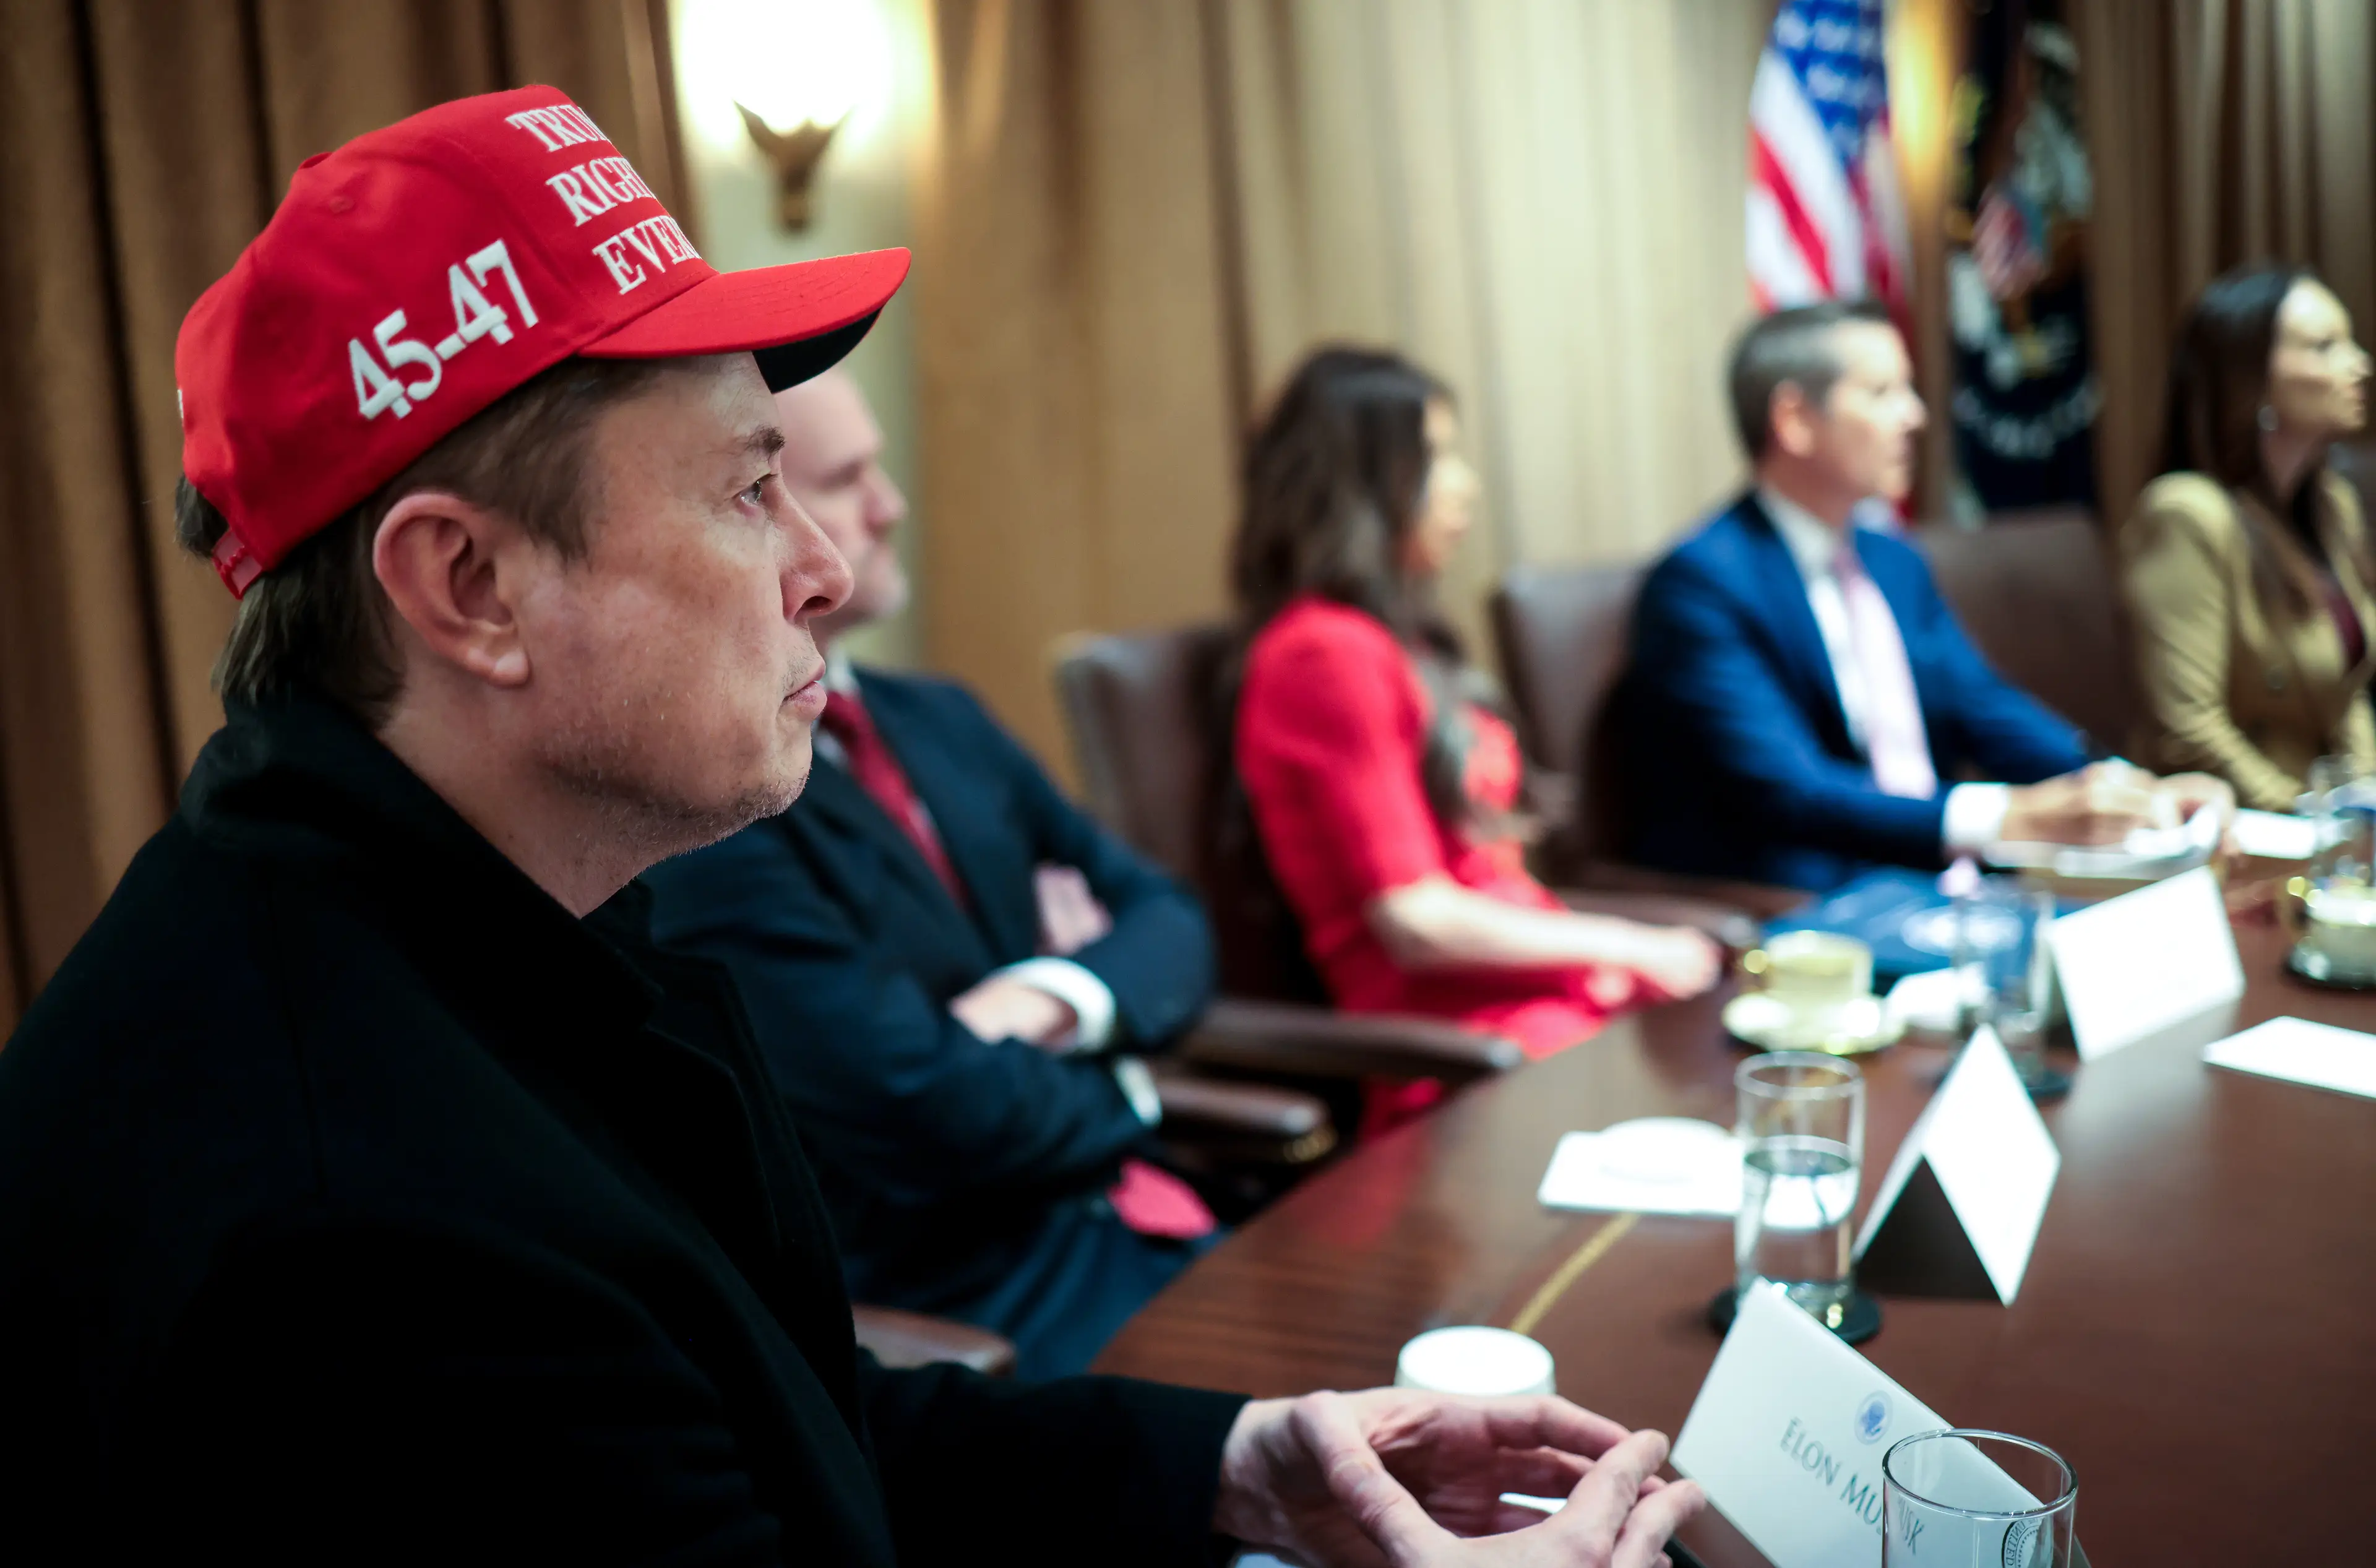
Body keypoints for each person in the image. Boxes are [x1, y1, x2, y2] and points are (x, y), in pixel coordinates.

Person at [0, 89, 1704, 1566]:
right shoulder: (358, 1229)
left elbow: (794, 1431)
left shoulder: (500, 915)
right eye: (752, 490)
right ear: (472, 586)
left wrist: (1235, 1468)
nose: (823, 568)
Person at [643, 369, 1220, 1381]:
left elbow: (1171, 920)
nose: (890, 505)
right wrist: (1127, 1077)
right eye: (842, 478)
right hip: (976, 1312)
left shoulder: (943, 716)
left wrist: (1047, 995)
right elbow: (921, 1108)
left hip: (1142, 1215)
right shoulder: (716, 800)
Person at [1229, 348, 1723, 1138]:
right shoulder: (1322, 652)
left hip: (1539, 1016)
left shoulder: (1395, 640)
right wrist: (1625, 944)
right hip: (1466, 1055)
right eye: (1435, 458)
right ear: (1358, 485)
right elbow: (1417, 920)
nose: (1464, 484)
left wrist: (1613, 956)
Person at [1621, 300, 2231, 892]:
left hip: (1946, 884)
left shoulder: (1892, 561)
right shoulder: (1703, 583)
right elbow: (1787, 788)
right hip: (1806, 904)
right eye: (1883, 392)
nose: (1915, 415)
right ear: (1795, 420)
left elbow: (1983, 706)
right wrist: (2008, 817)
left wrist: (2126, 787)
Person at [2121, 263, 2376, 809]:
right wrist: (2315, 821)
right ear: (2250, 378)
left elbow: (2348, 693)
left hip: (2331, 824)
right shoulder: (2186, 514)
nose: (2360, 365)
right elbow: (2188, 733)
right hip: (2241, 830)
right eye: (2325, 346)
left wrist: (2364, 804)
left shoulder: (2331, 506)